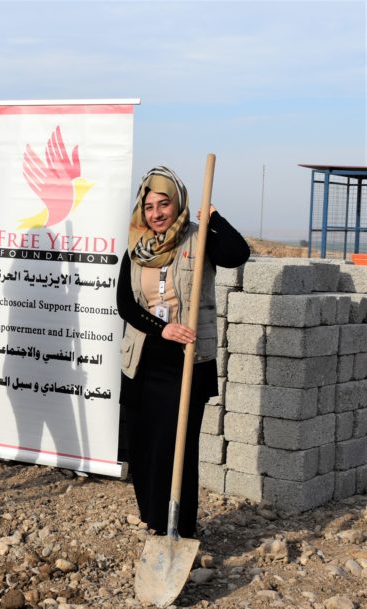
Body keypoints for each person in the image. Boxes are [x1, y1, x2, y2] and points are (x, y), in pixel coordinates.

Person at [118, 166, 249, 537]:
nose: (156, 213)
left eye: (164, 204)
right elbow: (126, 305)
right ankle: (155, 520)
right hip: (142, 359)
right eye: (149, 206)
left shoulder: (199, 238)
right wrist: (163, 329)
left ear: (179, 205)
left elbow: (238, 254)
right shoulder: (136, 247)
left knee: (177, 449)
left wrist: (215, 218)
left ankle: (181, 528)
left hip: (187, 361)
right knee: (142, 446)